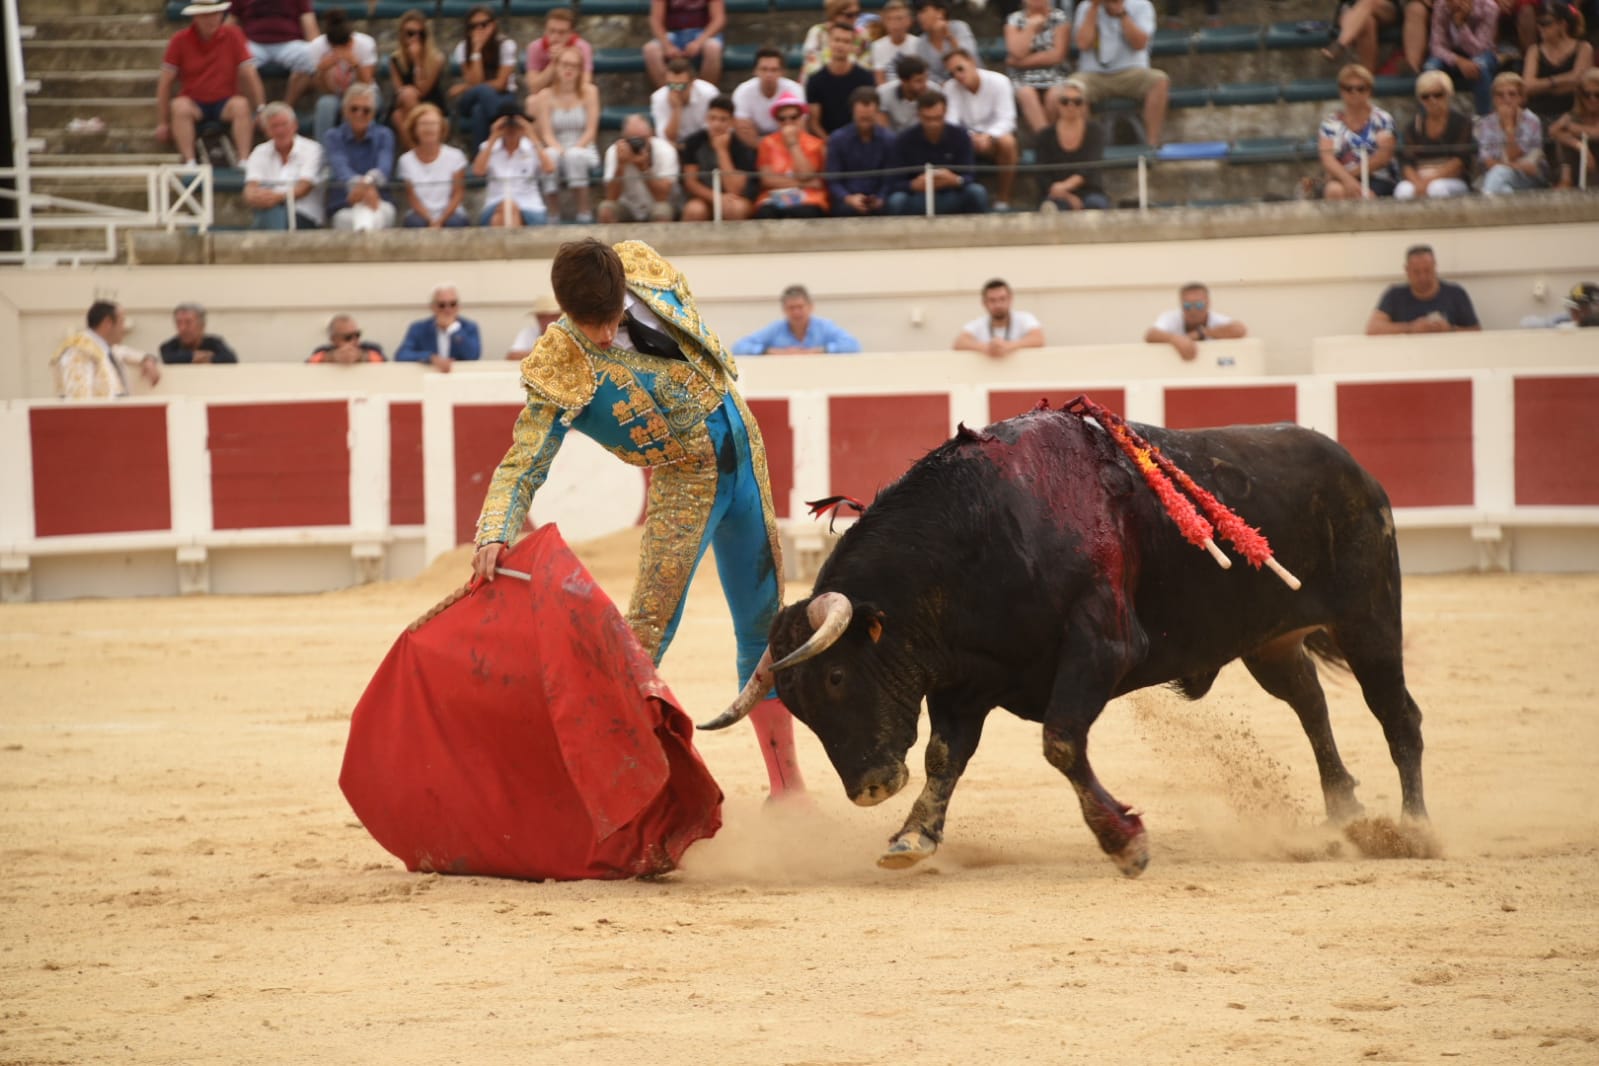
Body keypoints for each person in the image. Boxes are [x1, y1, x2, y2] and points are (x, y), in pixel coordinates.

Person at [471, 238, 809, 804]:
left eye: (608, 318)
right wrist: (496, 528)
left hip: (747, 452)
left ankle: (788, 788)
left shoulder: (643, 264)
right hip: (685, 484)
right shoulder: (559, 361)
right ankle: (604, 793)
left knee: (765, 627)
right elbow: (525, 457)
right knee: (644, 638)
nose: (602, 335)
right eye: (588, 323)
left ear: (623, 291)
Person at [156, 0, 265, 167]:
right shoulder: (179, 40)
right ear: (195, 17)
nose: (211, 19)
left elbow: (249, 73)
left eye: (215, 14)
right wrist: (163, 122)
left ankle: (244, 159)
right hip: (194, 101)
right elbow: (165, 82)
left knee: (241, 106)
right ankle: (190, 160)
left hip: (226, 100)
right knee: (179, 107)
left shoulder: (234, 35)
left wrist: (260, 109)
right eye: (205, 15)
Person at [1072, 0, 1170, 146]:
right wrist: (1093, 9)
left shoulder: (1142, 5)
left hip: (1131, 73)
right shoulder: (1085, 7)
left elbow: (1140, 44)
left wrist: (1122, 14)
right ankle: (1088, 148)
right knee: (1072, 90)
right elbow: (1083, 44)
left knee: (1160, 80)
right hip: (1093, 75)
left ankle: (1151, 146)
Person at [884, 89, 989, 215]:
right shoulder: (904, 140)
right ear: (919, 115)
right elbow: (893, 181)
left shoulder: (960, 136)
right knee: (897, 201)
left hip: (952, 194)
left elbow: (970, 175)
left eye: (938, 118)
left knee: (977, 192)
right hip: (918, 197)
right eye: (927, 119)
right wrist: (913, 185)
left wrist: (955, 180)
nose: (933, 124)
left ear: (945, 113)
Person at [530, 46, 602, 224]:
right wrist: (560, 150)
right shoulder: (545, 96)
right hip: (556, 144)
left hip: (584, 146)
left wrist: (574, 149)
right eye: (564, 64)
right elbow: (546, 133)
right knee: (549, 156)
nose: (568, 69)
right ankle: (553, 214)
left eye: (574, 66)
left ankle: (584, 212)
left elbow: (591, 130)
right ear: (556, 66)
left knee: (575, 156)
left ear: (580, 69)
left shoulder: (590, 92)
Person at [942, 49, 1020, 212]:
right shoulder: (950, 87)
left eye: (960, 68)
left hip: (994, 139)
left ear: (972, 62)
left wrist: (988, 136)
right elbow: (951, 122)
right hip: (964, 141)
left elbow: (1007, 118)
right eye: (952, 73)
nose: (957, 75)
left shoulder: (1000, 81)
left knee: (1008, 143)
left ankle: (1003, 200)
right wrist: (970, 137)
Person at [1316, 63, 1400, 198]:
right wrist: (1347, 180)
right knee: (1334, 190)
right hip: (1342, 178)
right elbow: (1328, 158)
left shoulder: (1382, 119)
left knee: (1362, 195)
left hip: (1378, 177)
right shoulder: (1330, 123)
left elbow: (1383, 158)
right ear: (1341, 91)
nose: (1354, 93)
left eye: (1361, 88)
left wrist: (1350, 177)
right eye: (1348, 88)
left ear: (1369, 90)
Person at [49, 301, 162, 399]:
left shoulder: (105, 348)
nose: (124, 328)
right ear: (107, 323)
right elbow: (78, 399)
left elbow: (125, 352)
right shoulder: (78, 351)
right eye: (121, 322)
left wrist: (147, 359)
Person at [324, 83, 397, 231]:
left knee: (375, 216)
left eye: (366, 110)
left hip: (379, 202)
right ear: (345, 111)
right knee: (359, 220)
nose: (359, 114)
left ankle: (363, 236)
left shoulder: (385, 134)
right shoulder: (333, 136)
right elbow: (340, 167)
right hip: (345, 204)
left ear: (373, 113)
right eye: (354, 109)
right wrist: (363, 188)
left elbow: (384, 166)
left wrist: (367, 183)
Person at [243, 102, 325, 229]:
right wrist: (256, 197)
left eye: (284, 125)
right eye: (274, 126)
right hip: (267, 211)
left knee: (271, 216)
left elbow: (304, 188)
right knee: (271, 214)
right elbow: (250, 189)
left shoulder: (312, 149)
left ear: (295, 126)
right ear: (266, 131)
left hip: (304, 215)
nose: (280, 130)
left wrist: (278, 197)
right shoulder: (260, 151)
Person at [448, 5, 519, 154]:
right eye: (473, 26)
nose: (479, 29)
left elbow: (500, 84)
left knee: (479, 112)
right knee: (482, 92)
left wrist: (464, 87)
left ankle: (478, 160)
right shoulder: (463, 48)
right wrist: (476, 52)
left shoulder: (506, 45)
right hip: (474, 99)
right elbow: (474, 83)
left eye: (484, 24)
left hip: (503, 96)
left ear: (493, 25)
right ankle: (503, 122)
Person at [1394, 70, 1475, 198]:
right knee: (1403, 190)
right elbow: (1406, 163)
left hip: (1452, 180)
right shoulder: (1413, 127)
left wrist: (1428, 181)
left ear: (1448, 94)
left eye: (1438, 95)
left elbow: (1459, 162)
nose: (1432, 100)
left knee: (1436, 189)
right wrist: (1418, 183)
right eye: (1426, 96)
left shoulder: (1461, 123)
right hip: (1419, 178)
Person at [1366, 244, 1482, 333]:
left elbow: (1476, 331)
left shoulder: (1456, 294)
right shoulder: (1394, 295)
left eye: (1427, 271)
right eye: (1416, 272)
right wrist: (1411, 328)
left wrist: (1450, 330)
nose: (1423, 277)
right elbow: (1373, 328)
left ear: (1435, 266)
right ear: (1407, 270)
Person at [305, 7, 378, 143]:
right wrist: (322, 70)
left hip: (364, 93)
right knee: (325, 105)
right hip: (334, 95)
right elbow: (322, 90)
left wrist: (356, 65)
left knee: (360, 106)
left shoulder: (366, 43)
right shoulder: (316, 47)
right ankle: (323, 154)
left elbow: (367, 83)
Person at [681, 94, 758, 221]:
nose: (716, 124)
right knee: (694, 210)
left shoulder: (741, 146)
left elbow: (735, 189)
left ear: (732, 122)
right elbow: (690, 182)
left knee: (734, 209)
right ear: (706, 118)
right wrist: (716, 197)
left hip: (738, 198)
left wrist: (722, 151)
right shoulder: (694, 142)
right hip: (706, 197)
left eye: (723, 120)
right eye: (713, 118)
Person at [473, 100, 551, 227]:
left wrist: (531, 135)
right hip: (496, 204)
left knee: (508, 210)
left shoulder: (532, 147)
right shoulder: (488, 147)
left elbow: (549, 168)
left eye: (515, 125)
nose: (511, 129)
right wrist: (493, 137)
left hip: (530, 206)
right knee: (506, 208)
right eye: (506, 125)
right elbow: (478, 171)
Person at [1037, 80, 1111, 210]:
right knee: (1053, 207)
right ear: (1058, 104)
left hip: (1090, 191)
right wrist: (1066, 195)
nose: (1071, 106)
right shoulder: (1045, 135)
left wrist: (1065, 186)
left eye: (1077, 101)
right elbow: (1042, 173)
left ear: (1084, 105)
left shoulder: (1095, 131)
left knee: (1095, 204)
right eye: (1065, 101)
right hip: (1055, 193)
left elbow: (1090, 167)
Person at [754, 93, 831, 219]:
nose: (788, 122)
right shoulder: (766, 143)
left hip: (809, 198)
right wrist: (805, 184)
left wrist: (793, 144)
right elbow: (767, 181)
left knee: (805, 212)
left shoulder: (817, 144)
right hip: (775, 196)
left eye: (793, 117)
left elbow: (806, 174)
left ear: (802, 118)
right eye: (782, 119)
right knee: (766, 212)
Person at [1004, 0, 1073, 134]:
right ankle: (1047, 140)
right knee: (1026, 93)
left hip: (1055, 73)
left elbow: (1057, 55)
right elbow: (1017, 51)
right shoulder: (1014, 19)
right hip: (1022, 76)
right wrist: (1030, 28)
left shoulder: (1059, 18)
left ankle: (1048, 141)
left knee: (1055, 96)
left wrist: (1019, 62)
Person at [732, 284, 862, 354]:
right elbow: (738, 347)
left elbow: (853, 345)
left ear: (810, 307)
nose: (796, 312)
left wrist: (819, 351)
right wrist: (771, 351)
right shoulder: (776, 329)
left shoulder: (823, 327)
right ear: (784, 310)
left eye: (800, 307)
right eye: (791, 308)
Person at [229, 0, 316, 104]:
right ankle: (259, 111)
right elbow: (231, 21)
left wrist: (317, 48)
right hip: (253, 43)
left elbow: (309, 21)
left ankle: (286, 107)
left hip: (289, 43)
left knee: (310, 55)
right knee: (236, 61)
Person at [1476, 71, 1550, 192]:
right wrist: (1515, 166)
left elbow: (1515, 155)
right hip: (1498, 177)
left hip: (1529, 178)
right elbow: (1488, 162)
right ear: (1494, 99)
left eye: (1512, 94)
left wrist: (1509, 128)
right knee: (1505, 190)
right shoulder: (1486, 123)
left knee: (1499, 172)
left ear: (1521, 98)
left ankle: (1483, 206)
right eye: (1500, 95)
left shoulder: (1531, 121)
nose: (1506, 99)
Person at [599, 113, 681, 223]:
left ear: (651, 134)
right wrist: (620, 166)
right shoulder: (614, 151)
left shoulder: (666, 151)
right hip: (628, 206)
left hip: (657, 205)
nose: (638, 144)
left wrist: (644, 169)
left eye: (642, 139)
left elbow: (662, 196)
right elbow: (611, 197)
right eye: (632, 139)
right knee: (606, 209)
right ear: (624, 138)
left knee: (662, 211)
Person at [1522, 1, 1593, 128]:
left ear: (1562, 24)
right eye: (1539, 23)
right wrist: (1558, 82)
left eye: (1546, 23)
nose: (1540, 28)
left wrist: (1542, 85)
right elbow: (1528, 86)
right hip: (1538, 113)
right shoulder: (1534, 51)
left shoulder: (1583, 48)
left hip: (1572, 114)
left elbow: (1579, 82)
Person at [397, 103, 468, 227]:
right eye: (423, 124)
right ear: (414, 129)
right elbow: (412, 198)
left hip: (450, 212)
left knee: (455, 223)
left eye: (433, 124)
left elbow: (458, 194)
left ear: (441, 128)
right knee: (415, 223)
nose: (429, 129)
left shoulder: (456, 156)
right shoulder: (405, 160)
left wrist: (441, 220)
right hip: (420, 213)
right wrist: (430, 220)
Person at [826, 86, 893, 216]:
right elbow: (833, 180)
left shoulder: (889, 140)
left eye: (869, 118)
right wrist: (848, 198)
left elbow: (890, 178)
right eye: (862, 118)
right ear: (853, 112)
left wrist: (880, 198)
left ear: (877, 113)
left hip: (878, 198)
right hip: (847, 198)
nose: (865, 123)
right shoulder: (837, 139)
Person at [1426, 0, 1501, 115]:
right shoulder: (1441, 5)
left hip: (1482, 53)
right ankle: (1428, 119)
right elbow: (1436, 46)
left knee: (1479, 66)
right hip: (1450, 54)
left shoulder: (1489, 7)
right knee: (1430, 68)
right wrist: (1457, 60)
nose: (1456, 3)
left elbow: (1479, 50)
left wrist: (1461, 25)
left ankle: (1484, 119)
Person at [387, 8, 446, 152]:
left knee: (409, 96)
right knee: (398, 112)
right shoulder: (395, 59)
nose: (416, 38)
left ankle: (418, 152)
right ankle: (416, 153)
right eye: (410, 33)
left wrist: (418, 62)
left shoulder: (436, 59)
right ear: (402, 35)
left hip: (430, 102)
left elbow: (423, 90)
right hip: (404, 104)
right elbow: (399, 91)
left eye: (421, 34)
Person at [1143, 282, 1247, 361]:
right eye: (1187, 306)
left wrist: (1201, 333)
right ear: (1181, 305)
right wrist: (1176, 340)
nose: (1193, 310)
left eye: (1199, 305)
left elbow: (1240, 329)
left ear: (1208, 303)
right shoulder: (1171, 317)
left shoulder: (1217, 319)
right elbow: (1150, 334)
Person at [807, 22, 878, 136]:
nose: (840, 45)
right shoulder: (815, 80)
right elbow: (814, 123)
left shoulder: (865, 78)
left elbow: (871, 116)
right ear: (829, 42)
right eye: (837, 40)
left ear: (852, 46)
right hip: (826, 143)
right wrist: (831, 143)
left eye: (846, 41)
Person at [395, 284, 483, 370]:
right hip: (427, 380)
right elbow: (402, 355)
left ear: (458, 307)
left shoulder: (469, 327)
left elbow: (473, 356)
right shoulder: (419, 328)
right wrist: (430, 358)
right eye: (442, 305)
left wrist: (453, 329)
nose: (447, 309)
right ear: (433, 307)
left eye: (453, 304)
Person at [643, 0, 726, 89]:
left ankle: (703, 95)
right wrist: (667, 46)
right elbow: (655, 20)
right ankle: (672, 94)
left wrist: (699, 42)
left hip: (703, 33)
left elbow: (719, 19)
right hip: (673, 33)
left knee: (713, 48)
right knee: (650, 50)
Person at [732, 47, 804, 149]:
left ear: (782, 72)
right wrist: (768, 150)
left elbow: (800, 126)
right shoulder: (743, 91)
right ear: (755, 71)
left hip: (787, 144)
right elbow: (743, 130)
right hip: (754, 147)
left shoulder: (795, 90)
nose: (769, 74)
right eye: (764, 69)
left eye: (774, 70)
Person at [954, 279, 1045, 359]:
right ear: (984, 303)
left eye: (1002, 299)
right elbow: (959, 343)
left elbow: (1038, 339)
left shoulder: (1025, 318)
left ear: (1010, 299)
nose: (998, 305)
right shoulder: (978, 323)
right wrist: (986, 348)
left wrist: (1008, 346)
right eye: (992, 300)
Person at [651, 55, 721, 149]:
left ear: (692, 82)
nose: (675, 90)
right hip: (675, 147)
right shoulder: (658, 98)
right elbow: (668, 138)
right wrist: (677, 109)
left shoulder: (709, 93)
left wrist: (688, 147)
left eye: (681, 86)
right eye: (671, 85)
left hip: (705, 145)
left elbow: (714, 130)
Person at [524, 8, 593, 96]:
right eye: (551, 31)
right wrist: (554, 63)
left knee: (592, 91)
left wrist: (566, 58)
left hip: (573, 97)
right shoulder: (535, 47)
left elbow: (585, 84)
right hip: (545, 97)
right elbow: (534, 88)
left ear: (571, 33)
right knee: (532, 101)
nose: (555, 37)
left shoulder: (582, 47)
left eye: (562, 32)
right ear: (545, 30)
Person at [1322, 0, 1401, 76]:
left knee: (1369, 2)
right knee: (1367, 22)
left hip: (1386, 8)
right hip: (1353, 11)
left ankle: (1340, 43)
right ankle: (1367, 77)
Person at [1549, 66, 1599, 186]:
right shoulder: (1575, 116)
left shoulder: (1571, 123)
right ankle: (1566, 182)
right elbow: (1553, 131)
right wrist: (1581, 147)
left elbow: (1596, 133)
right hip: (1579, 168)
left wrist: (1571, 128)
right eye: (1587, 94)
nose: (1592, 99)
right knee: (1567, 142)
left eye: (1598, 94)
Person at [801, 0, 873, 81]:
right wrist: (850, 55)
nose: (854, 19)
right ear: (834, 14)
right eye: (849, 15)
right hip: (820, 84)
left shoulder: (862, 35)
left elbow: (866, 69)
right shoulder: (818, 32)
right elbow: (812, 67)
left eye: (857, 14)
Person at [914, 0, 979, 83]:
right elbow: (927, 73)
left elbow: (969, 56)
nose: (919, 17)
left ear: (940, 12)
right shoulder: (921, 42)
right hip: (941, 90)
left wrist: (949, 36)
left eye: (924, 11)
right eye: (918, 13)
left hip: (972, 81)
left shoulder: (960, 27)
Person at [160, 302, 240, 364]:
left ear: (202, 326)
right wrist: (193, 356)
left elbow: (230, 359)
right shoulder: (170, 346)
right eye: (179, 323)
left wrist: (209, 359)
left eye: (188, 322)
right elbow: (169, 358)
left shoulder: (214, 343)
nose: (182, 328)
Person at [870, 0, 922, 85]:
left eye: (899, 18)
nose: (895, 24)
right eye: (890, 19)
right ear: (884, 22)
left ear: (909, 21)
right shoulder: (877, 46)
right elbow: (880, 78)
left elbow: (920, 76)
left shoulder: (918, 44)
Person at [877, 54, 931, 132]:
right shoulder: (883, 93)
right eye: (919, 81)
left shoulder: (934, 91)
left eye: (926, 78)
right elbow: (882, 131)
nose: (925, 85)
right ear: (904, 81)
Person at [307, 313, 386, 363]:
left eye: (357, 335)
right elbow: (309, 364)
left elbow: (384, 362)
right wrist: (331, 357)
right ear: (333, 339)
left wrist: (360, 356)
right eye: (348, 337)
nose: (355, 340)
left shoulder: (371, 347)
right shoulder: (323, 350)